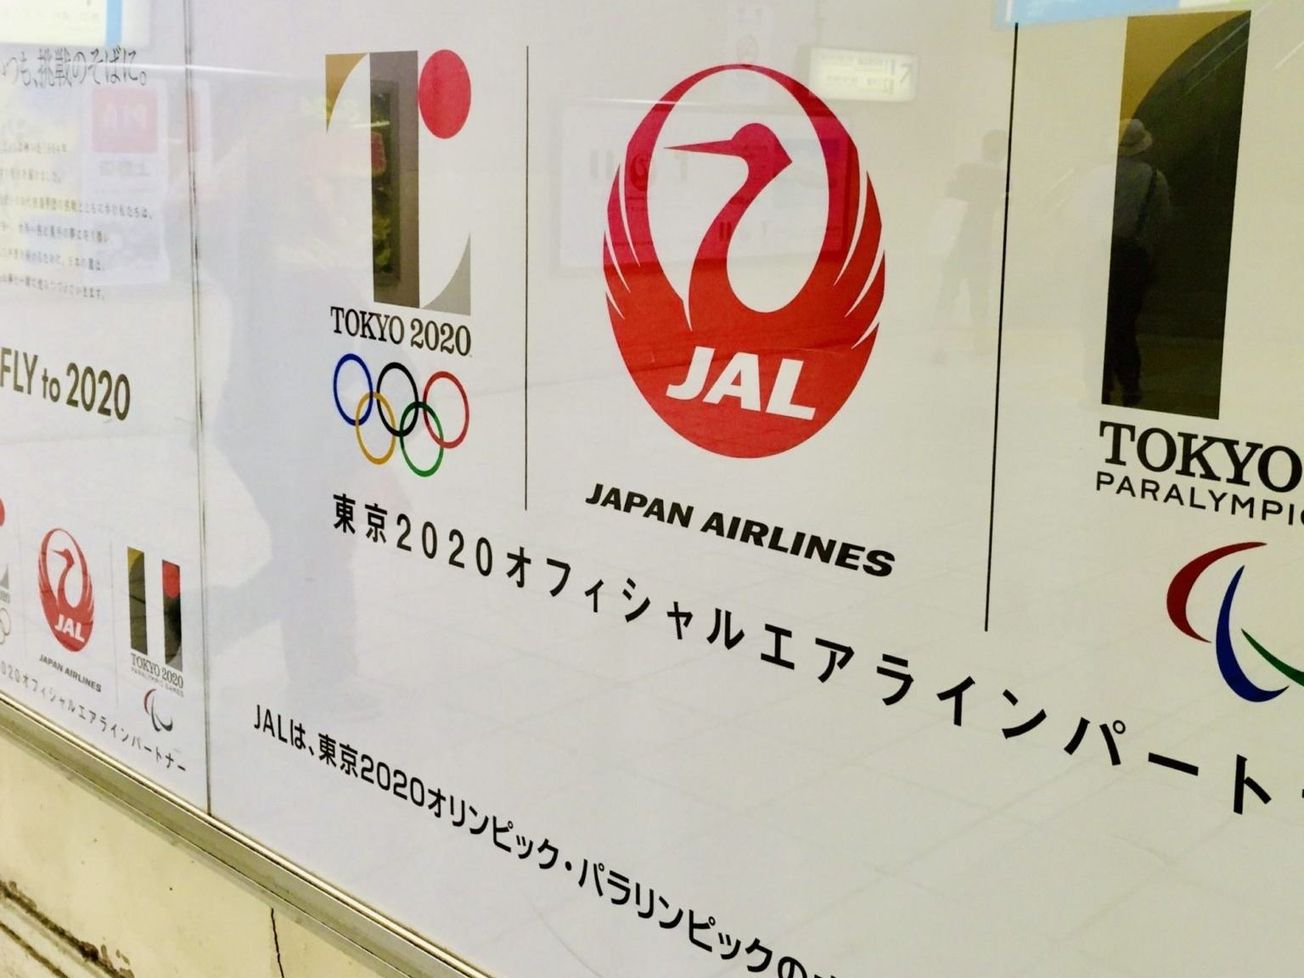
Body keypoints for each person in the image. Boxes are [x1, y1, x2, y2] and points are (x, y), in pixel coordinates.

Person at [1104, 118, 1171, 407]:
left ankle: (1100, 386)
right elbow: (1161, 223)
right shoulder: (1156, 179)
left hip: (1101, 256)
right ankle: (1131, 387)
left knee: (1096, 326)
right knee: (1124, 326)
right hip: (1133, 261)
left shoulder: (1100, 175)